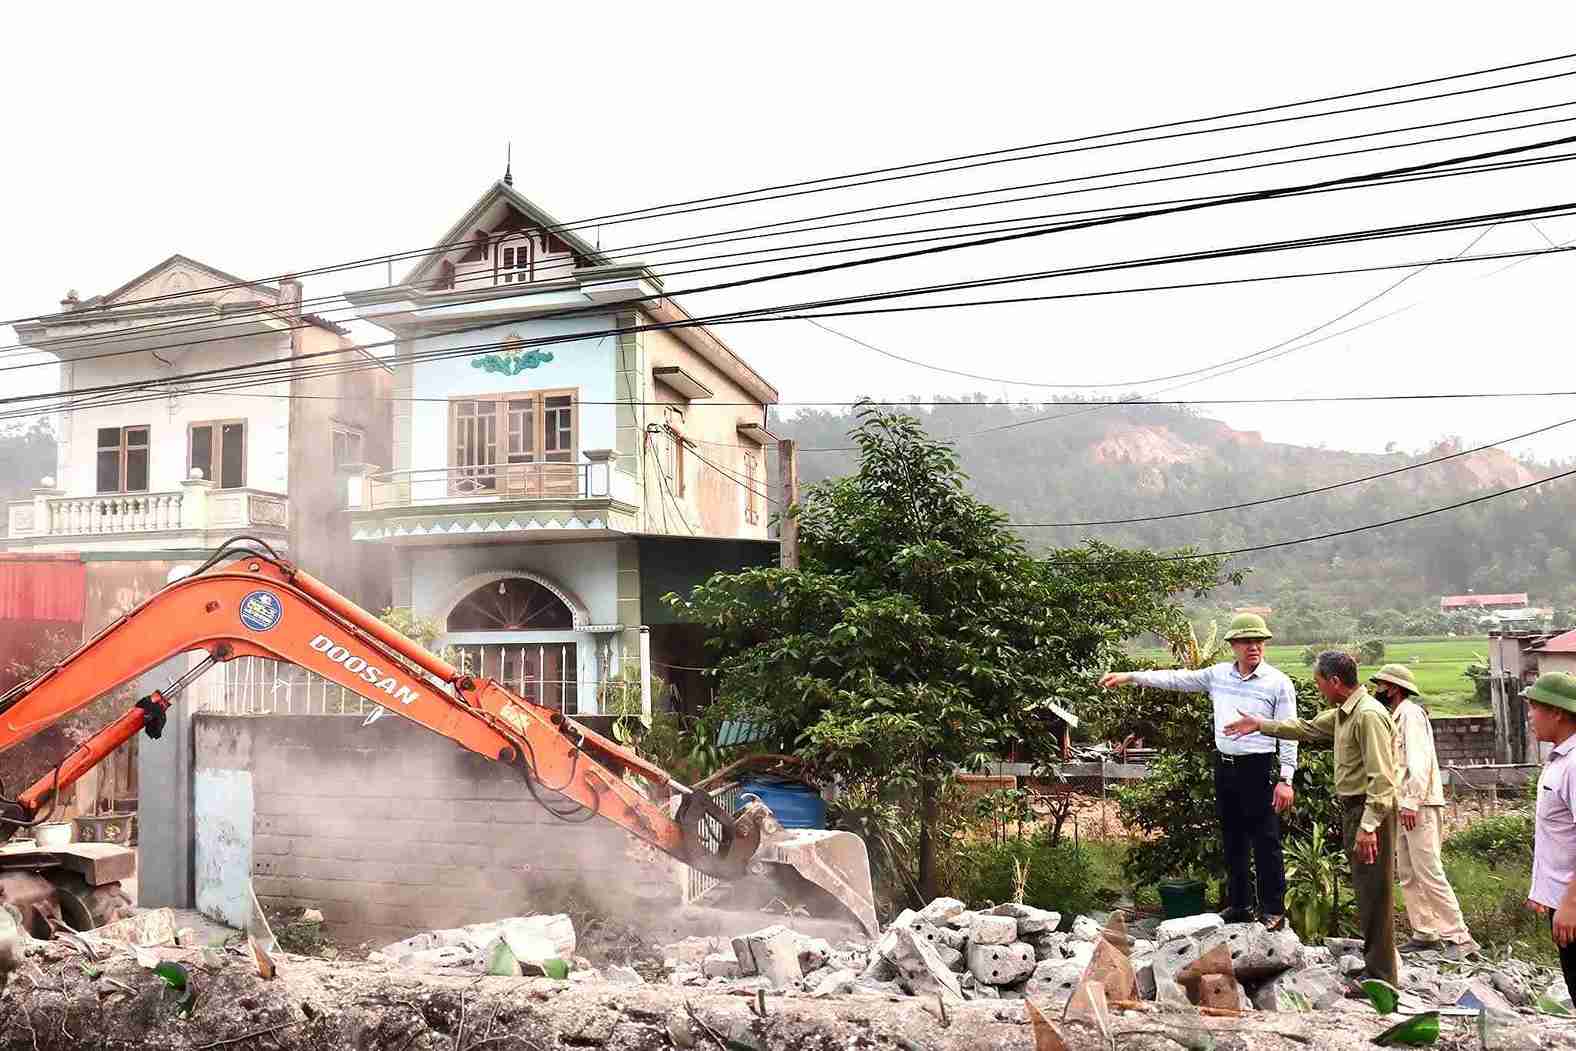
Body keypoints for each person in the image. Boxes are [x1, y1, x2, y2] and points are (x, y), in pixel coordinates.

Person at [1099, 612, 1297, 928]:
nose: (1253, 647)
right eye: (1246, 641)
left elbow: (1289, 732)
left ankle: (1272, 910)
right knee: (1233, 838)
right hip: (1226, 765)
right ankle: (1240, 905)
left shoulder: (1278, 683)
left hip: (1258, 768)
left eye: (1258, 641)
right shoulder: (1218, 675)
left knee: (1265, 840)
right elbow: (1178, 678)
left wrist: (1286, 778)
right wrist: (1132, 676)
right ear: (1233, 645)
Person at [1225, 650, 1401, 987]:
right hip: (1356, 809)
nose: (1317, 686)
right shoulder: (1344, 714)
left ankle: (1382, 978)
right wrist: (1260, 725)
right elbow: (1304, 728)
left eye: (1319, 681)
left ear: (1334, 681)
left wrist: (1368, 826)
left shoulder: (1367, 716)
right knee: (1366, 891)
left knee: (1376, 894)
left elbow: (1383, 779)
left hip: (1369, 811)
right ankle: (1375, 969)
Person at [1368, 663, 1479, 960]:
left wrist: (1411, 802)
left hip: (1419, 804)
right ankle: (1425, 932)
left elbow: (1418, 762)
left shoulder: (1411, 715)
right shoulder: (1396, 716)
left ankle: (1459, 936)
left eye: (1381, 685)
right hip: (1404, 804)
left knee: (1428, 870)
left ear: (1393, 688)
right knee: (1408, 872)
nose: (1377, 690)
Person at [1525, 672, 1576, 997]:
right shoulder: (1560, 759)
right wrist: (1542, 891)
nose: (1530, 715)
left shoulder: (1574, 765)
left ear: (1556, 712)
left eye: (1534, 707)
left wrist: (1571, 903)